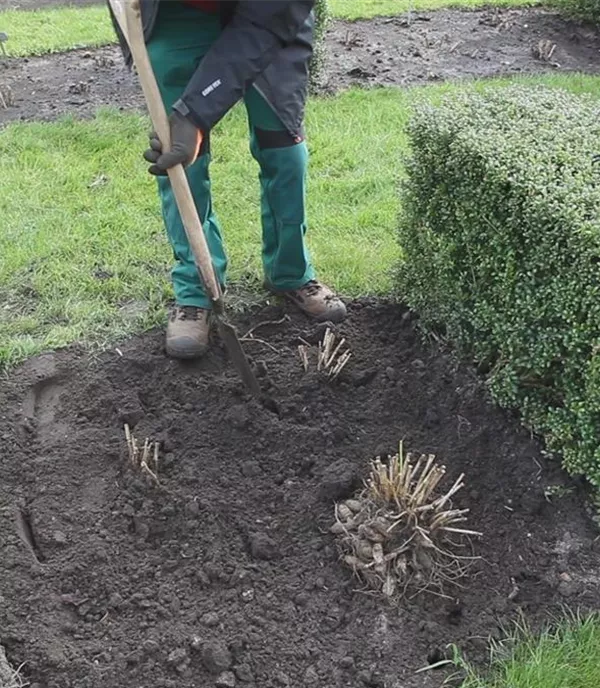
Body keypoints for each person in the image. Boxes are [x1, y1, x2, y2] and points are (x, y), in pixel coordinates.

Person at [108, 0, 347, 360]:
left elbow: (269, 18)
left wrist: (197, 112)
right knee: (179, 154)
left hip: (271, 14)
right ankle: (196, 289)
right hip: (178, 12)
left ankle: (291, 271)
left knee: (284, 149)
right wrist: (187, 122)